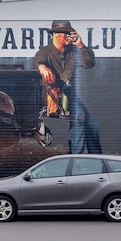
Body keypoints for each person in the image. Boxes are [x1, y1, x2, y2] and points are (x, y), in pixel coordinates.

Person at [33, 20, 102, 154]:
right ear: (56, 35)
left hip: (68, 97)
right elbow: (37, 62)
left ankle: (97, 158)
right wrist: (42, 68)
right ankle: (75, 157)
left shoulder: (73, 52)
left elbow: (89, 63)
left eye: (70, 33)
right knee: (80, 117)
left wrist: (80, 45)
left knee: (93, 125)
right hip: (50, 98)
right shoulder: (44, 52)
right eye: (66, 33)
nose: (69, 36)